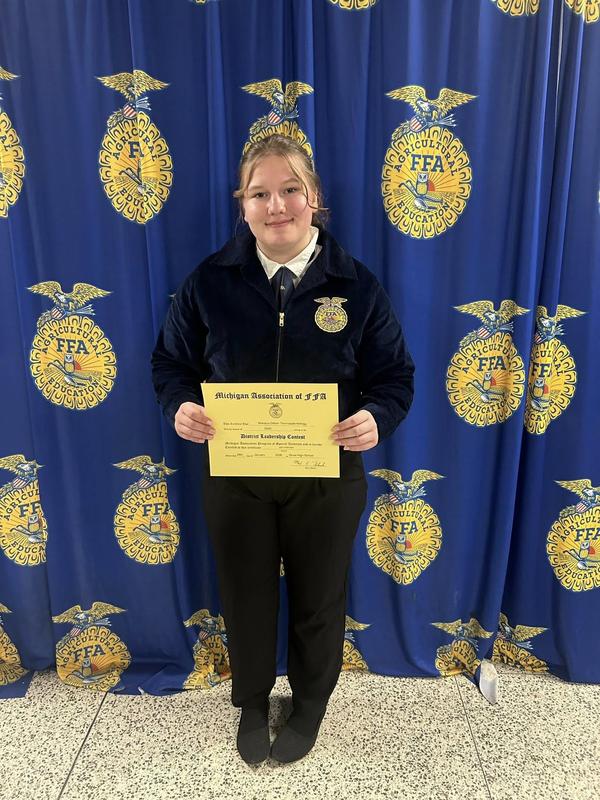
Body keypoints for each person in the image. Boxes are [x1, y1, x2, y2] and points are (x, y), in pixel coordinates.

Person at [151, 134, 414, 765]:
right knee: (245, 591)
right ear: (242, 205)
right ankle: (249, 700)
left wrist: (377, 418)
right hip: (236, 473)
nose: (277, 206)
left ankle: (311, 701)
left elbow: (394, 376)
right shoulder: (210, 283)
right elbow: (170, 363)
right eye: (260, 193)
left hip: (326, 474)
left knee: (320, 593)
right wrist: (180, 405)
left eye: (290, 189)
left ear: (314, 198)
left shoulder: (355, 284)